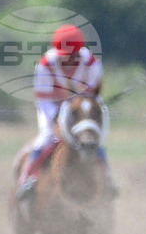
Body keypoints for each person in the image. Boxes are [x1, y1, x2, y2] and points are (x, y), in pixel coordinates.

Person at [17, 24, 106, 199]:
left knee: (96, 139)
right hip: (52, 106)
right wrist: (57, 117)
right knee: (46, 138)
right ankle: (27, 178)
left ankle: (107, 178)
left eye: (74, 56)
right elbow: (43, 99)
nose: (70, 60)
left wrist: (79, 110)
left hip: (81, 108)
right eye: (66, 56)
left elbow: (91, 95)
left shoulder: (92, 64)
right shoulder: (45, 66)